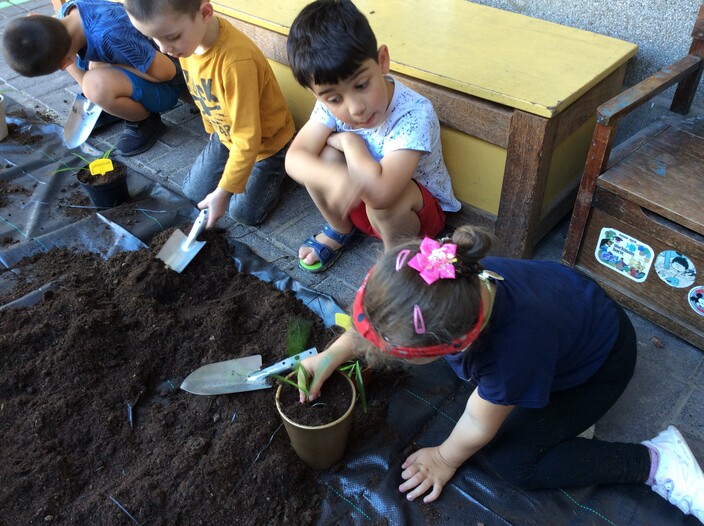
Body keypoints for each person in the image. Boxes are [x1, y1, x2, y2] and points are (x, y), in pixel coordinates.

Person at [300, 225, 704, 522]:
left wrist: (443, 457)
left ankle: (654, 461)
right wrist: (332, 355)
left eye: (397, 353)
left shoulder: (512, 354)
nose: (379, 351)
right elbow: (378, 314)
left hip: (599, 365)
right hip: (569, 317)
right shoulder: (449, 278)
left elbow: (477, 421)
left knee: (514, 462)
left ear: (456, 346)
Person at [285, 0, 461, 272]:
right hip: (359, 202)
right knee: (320, 160)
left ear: (382, 62)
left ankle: (398, 262)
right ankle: (340, 228)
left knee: (387, 199)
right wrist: (331, 177)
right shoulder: (329, 104)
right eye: (333, 98)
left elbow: (381, 195)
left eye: (362, 85)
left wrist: (349, 142)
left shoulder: (414, 113)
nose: (356, 108)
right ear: (317, 94)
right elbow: (295, 158)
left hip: (417, 217)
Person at [124, 0, 295, 228]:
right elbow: (202, 96)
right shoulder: (187, 46)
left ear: (205, 12)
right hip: (227, 136)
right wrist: (213, 132)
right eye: (155, 38)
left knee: (242, 214)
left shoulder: (235, 62)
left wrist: (223, 193)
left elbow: (248, 137)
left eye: (171, 37)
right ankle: (243, 174)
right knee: (193, 193)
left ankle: (281, 169)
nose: (164, 49)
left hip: (266, 145)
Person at [1, 0, 182, 156]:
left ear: (64, 63)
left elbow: (168, 71)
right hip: (133, 74)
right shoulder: (67, 14)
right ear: (33, 15)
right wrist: (98, 97)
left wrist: (108, 66)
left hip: (166, 86)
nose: (66, 67)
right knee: (91, 83)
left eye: (62, 65)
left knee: (95, 85)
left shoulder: (110, 37)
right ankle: (111, 102)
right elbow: (74, 64)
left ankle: (145, 121)